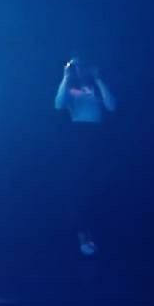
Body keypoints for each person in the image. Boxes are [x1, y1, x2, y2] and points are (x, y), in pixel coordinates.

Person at [54, 56, 116, 256]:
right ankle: (83, 238)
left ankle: (96, 234)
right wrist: (65, 76)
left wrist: (98, 79)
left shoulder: (97, 89)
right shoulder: (71, 90)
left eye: (82, 66)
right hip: (79, 139)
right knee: (80, 187)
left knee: (97, 186)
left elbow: (111, 106)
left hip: (97, 138)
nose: (80, 70)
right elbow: (58, 104)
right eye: (77, 67)